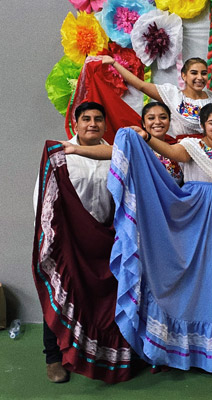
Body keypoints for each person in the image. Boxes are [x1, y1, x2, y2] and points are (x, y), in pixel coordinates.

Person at [107, 103, 212, 372]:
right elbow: (168, 151)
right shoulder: (192, 146)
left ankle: (209, 352)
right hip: (193, 217)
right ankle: (171, 345)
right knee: (189, 281)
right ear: (203, 125)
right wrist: (145, 137)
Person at [32, 102, 134, 383]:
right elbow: (43, 200)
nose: (92, 124)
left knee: (104, 302)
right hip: (70, 241)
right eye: (86, 119)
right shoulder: (60, 157)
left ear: (104, 124)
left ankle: (101, 355)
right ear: (75, 124)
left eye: (98, 119)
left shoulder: (117, 155)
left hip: (106, 239)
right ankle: (53, 357)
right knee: (61, 291)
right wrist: (51, 237)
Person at [63, 101, 183, 185]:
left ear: (169, 121)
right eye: (151, 118)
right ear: (143, 123)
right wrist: (74, 149)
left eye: (163, 117)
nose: (157, 122)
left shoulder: (180, 148)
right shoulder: (135, 146)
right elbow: (115, 151)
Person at [101, 55, 212, 135]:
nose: (200, 77)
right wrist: (114, 63)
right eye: (194, 73)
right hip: (183, 153)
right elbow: (141, 85)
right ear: (184, 76)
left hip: (209, 153)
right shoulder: (172, 95)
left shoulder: (211, 97)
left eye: (204, 73)